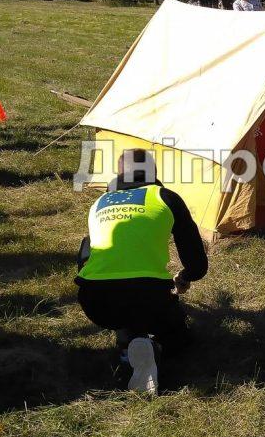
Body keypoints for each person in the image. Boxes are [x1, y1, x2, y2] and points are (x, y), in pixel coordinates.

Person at [76, 149, 209, 393]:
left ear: (119, 174)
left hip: (95, 301)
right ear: (155, 173)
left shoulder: (98, 203)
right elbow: (197, 263)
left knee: (123, 303)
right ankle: (154, 347)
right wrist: (186, 276)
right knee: (179, 336)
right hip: (149, 297)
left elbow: (87, 252)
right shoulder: (165, 197)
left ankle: (128, 344)